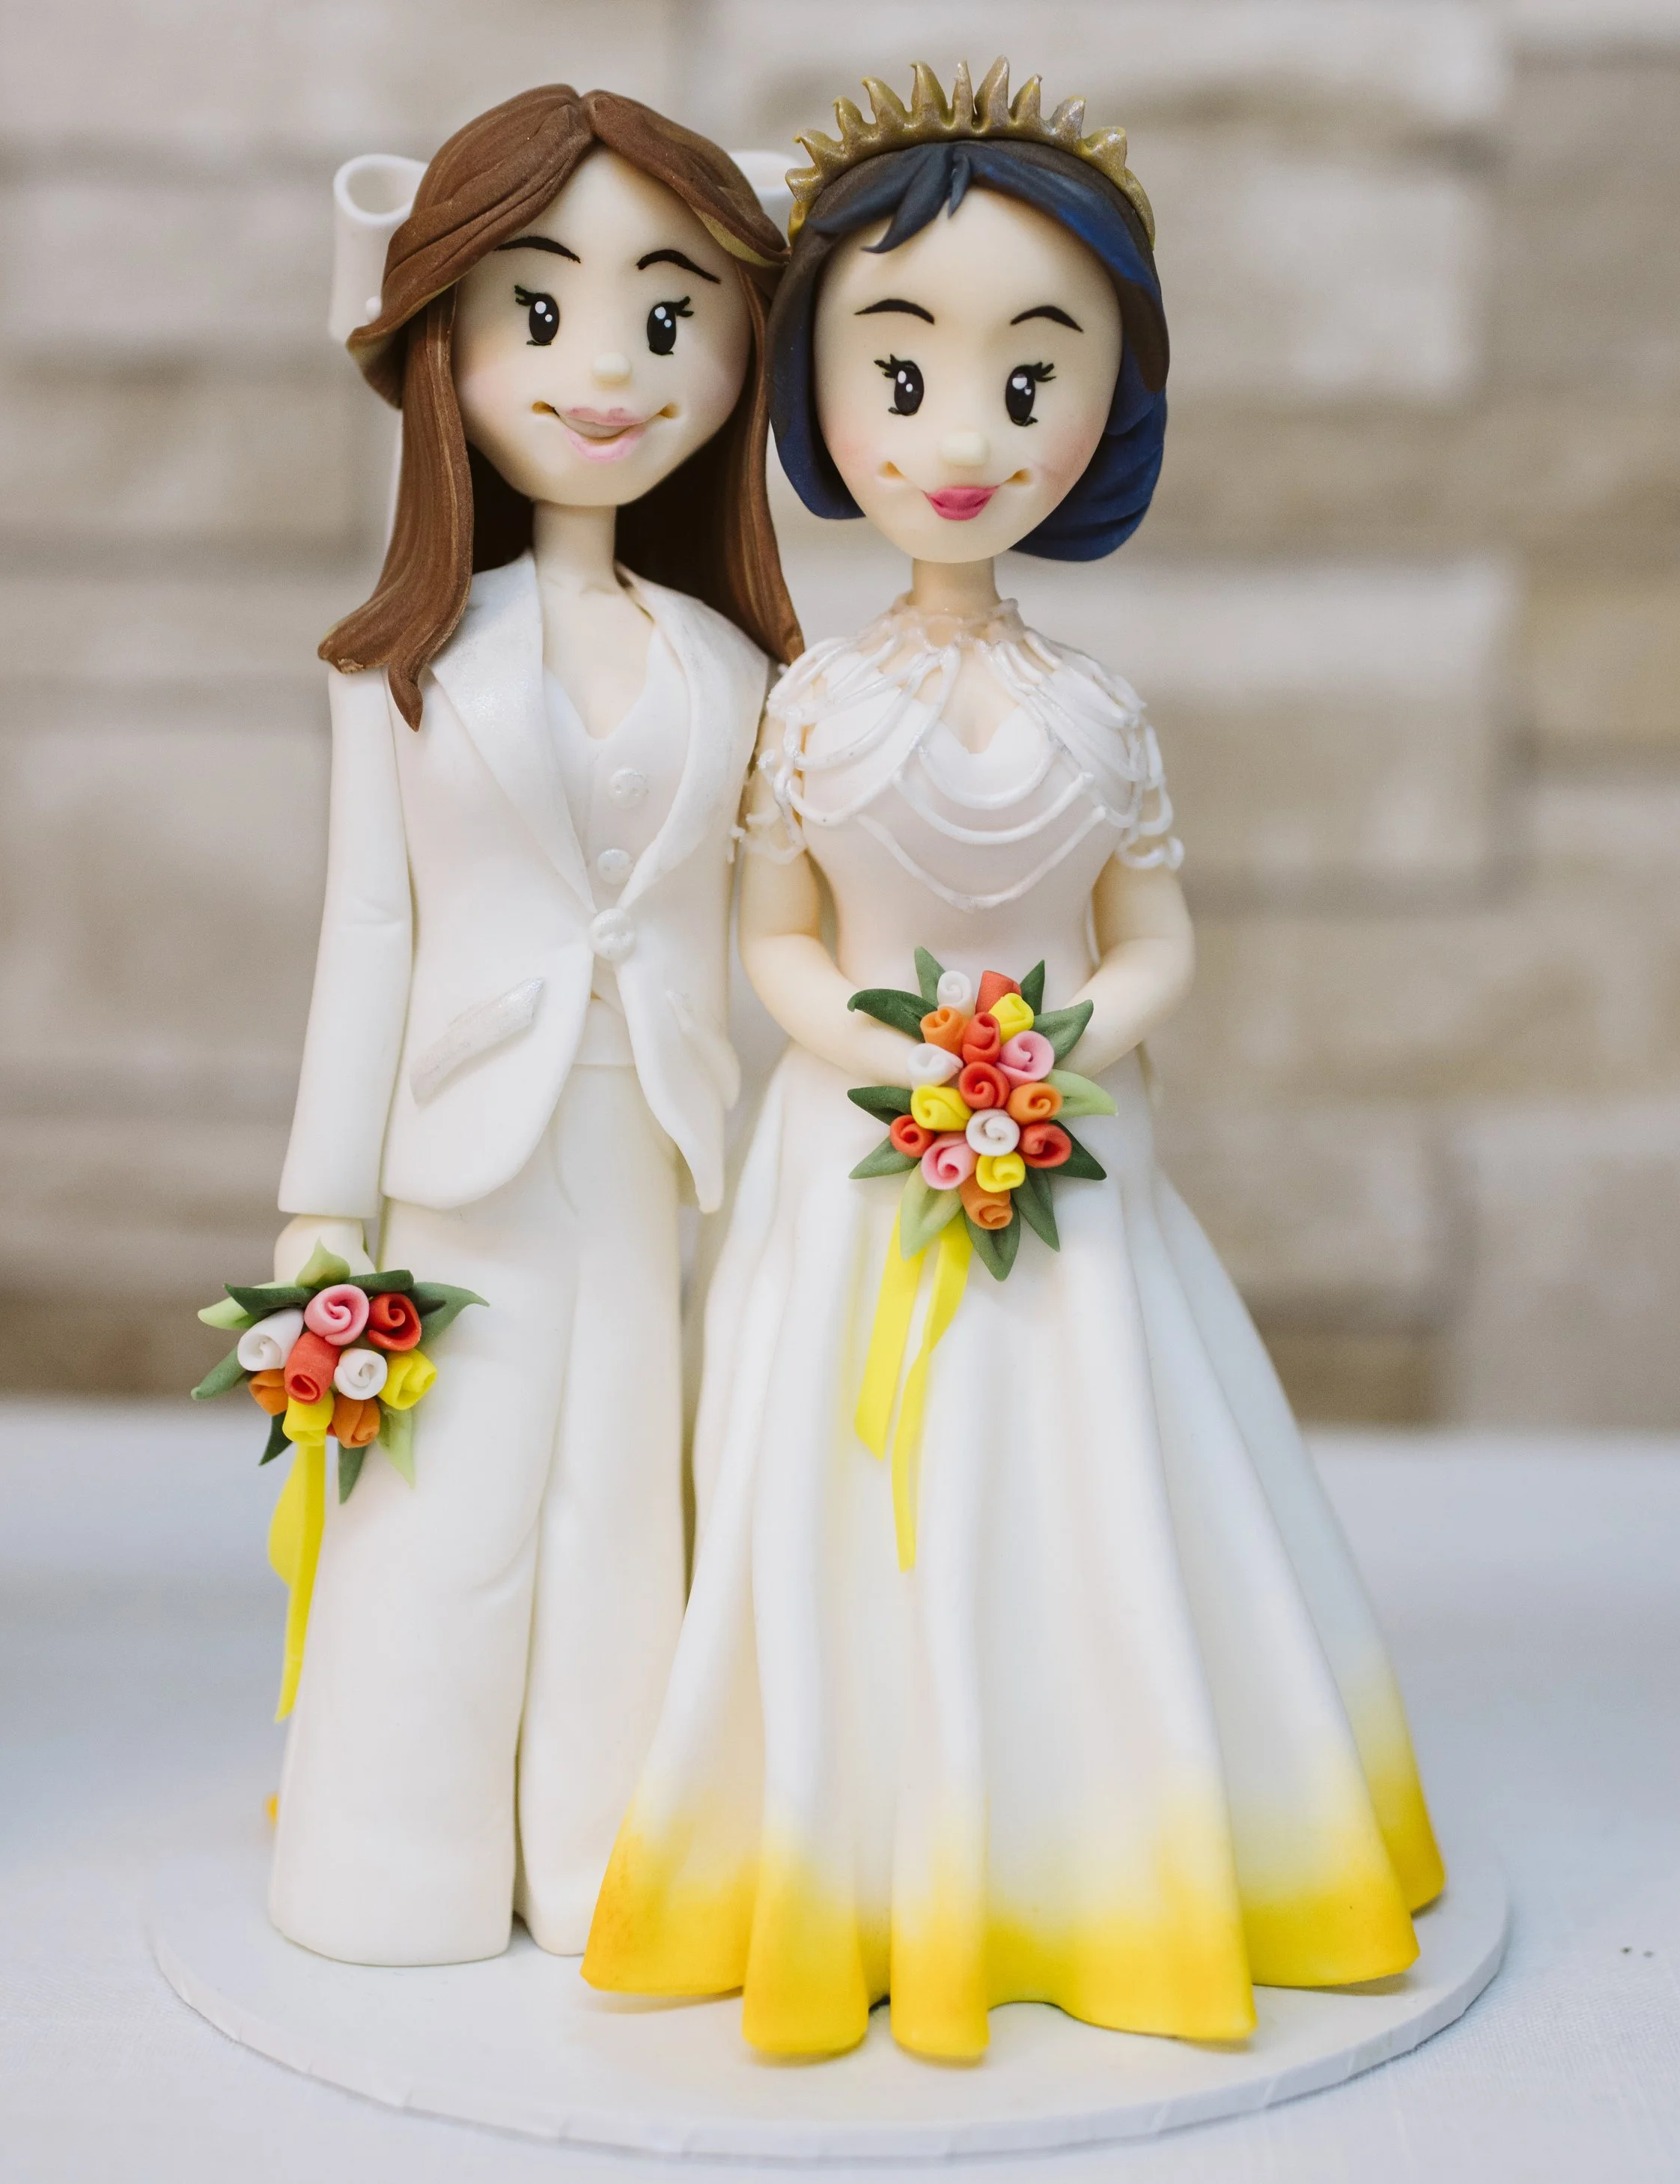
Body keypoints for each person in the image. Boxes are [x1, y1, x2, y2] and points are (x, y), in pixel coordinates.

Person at [584, 60, 1444, 2062]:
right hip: (864, 1163)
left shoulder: (1099, 711)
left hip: (1071, 1164)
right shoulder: (809, 706)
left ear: (1105, 407)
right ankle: (850, 1850)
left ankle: (1121, 1834)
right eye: (901, 376)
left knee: (1097, 1486)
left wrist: (1055, 1051)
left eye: (1027, 378)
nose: (961, 436)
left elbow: (1156, 942)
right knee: (843, 1505)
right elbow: (775, 940)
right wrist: (897, 1072)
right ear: (818, 398)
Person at [267, 85, 800, 1968]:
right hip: (460, 1150)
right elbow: (366, 926)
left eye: (669, 317)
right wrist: (315, 1208)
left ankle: (602, 1861)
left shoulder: (738, 668)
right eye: (538, 309)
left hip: (651, 1134)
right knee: (445, 1504)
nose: (605, 372)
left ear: (739, 357)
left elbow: (771, 926)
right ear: (443, 349)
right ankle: (383, 1862)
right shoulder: (400, 664)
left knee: (615, 1515)